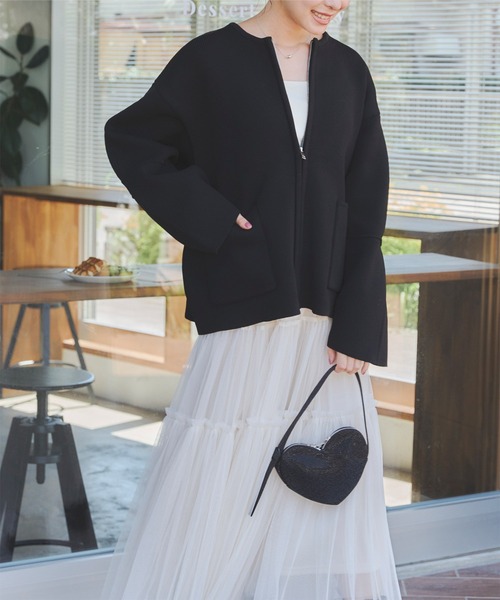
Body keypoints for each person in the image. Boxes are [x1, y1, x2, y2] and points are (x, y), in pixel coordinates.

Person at [102, 1, 401, 598]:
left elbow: (368, 200)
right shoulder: (210, 61)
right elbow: (133, 140)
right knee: (225, 489)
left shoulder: (348, 71)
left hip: (328, 325)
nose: (337, 3)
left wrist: (361, 318)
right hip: (245, 309)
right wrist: (212, 219)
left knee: (326, 494)